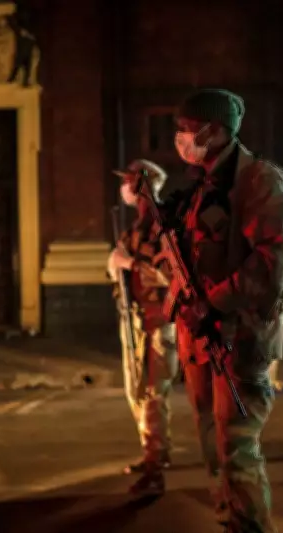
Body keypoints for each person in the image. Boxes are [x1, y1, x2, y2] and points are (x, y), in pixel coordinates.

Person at [164, 88, 283, 532]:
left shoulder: (258, 180)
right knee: (213, 448)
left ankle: (251, 527)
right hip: (201, 337)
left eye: (189, 129)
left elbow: (273, 261)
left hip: (238, 337)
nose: (182, 138)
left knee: (237, 448)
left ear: (216, 130)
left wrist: (214, 301)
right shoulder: (203, 185)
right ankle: (231, 521)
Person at [107, 159, 179, 496]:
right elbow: (120, 273)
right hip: (136, 322)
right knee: (137, 392)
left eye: (128, 181)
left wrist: (130, 263)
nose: (123, 188)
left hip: (159, 323)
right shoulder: (135, 228)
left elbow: (171, 275)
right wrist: (115, 267)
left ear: (139, 186)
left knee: (152, 394)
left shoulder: (164, 226)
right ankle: (155, 452)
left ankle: (154, 468)